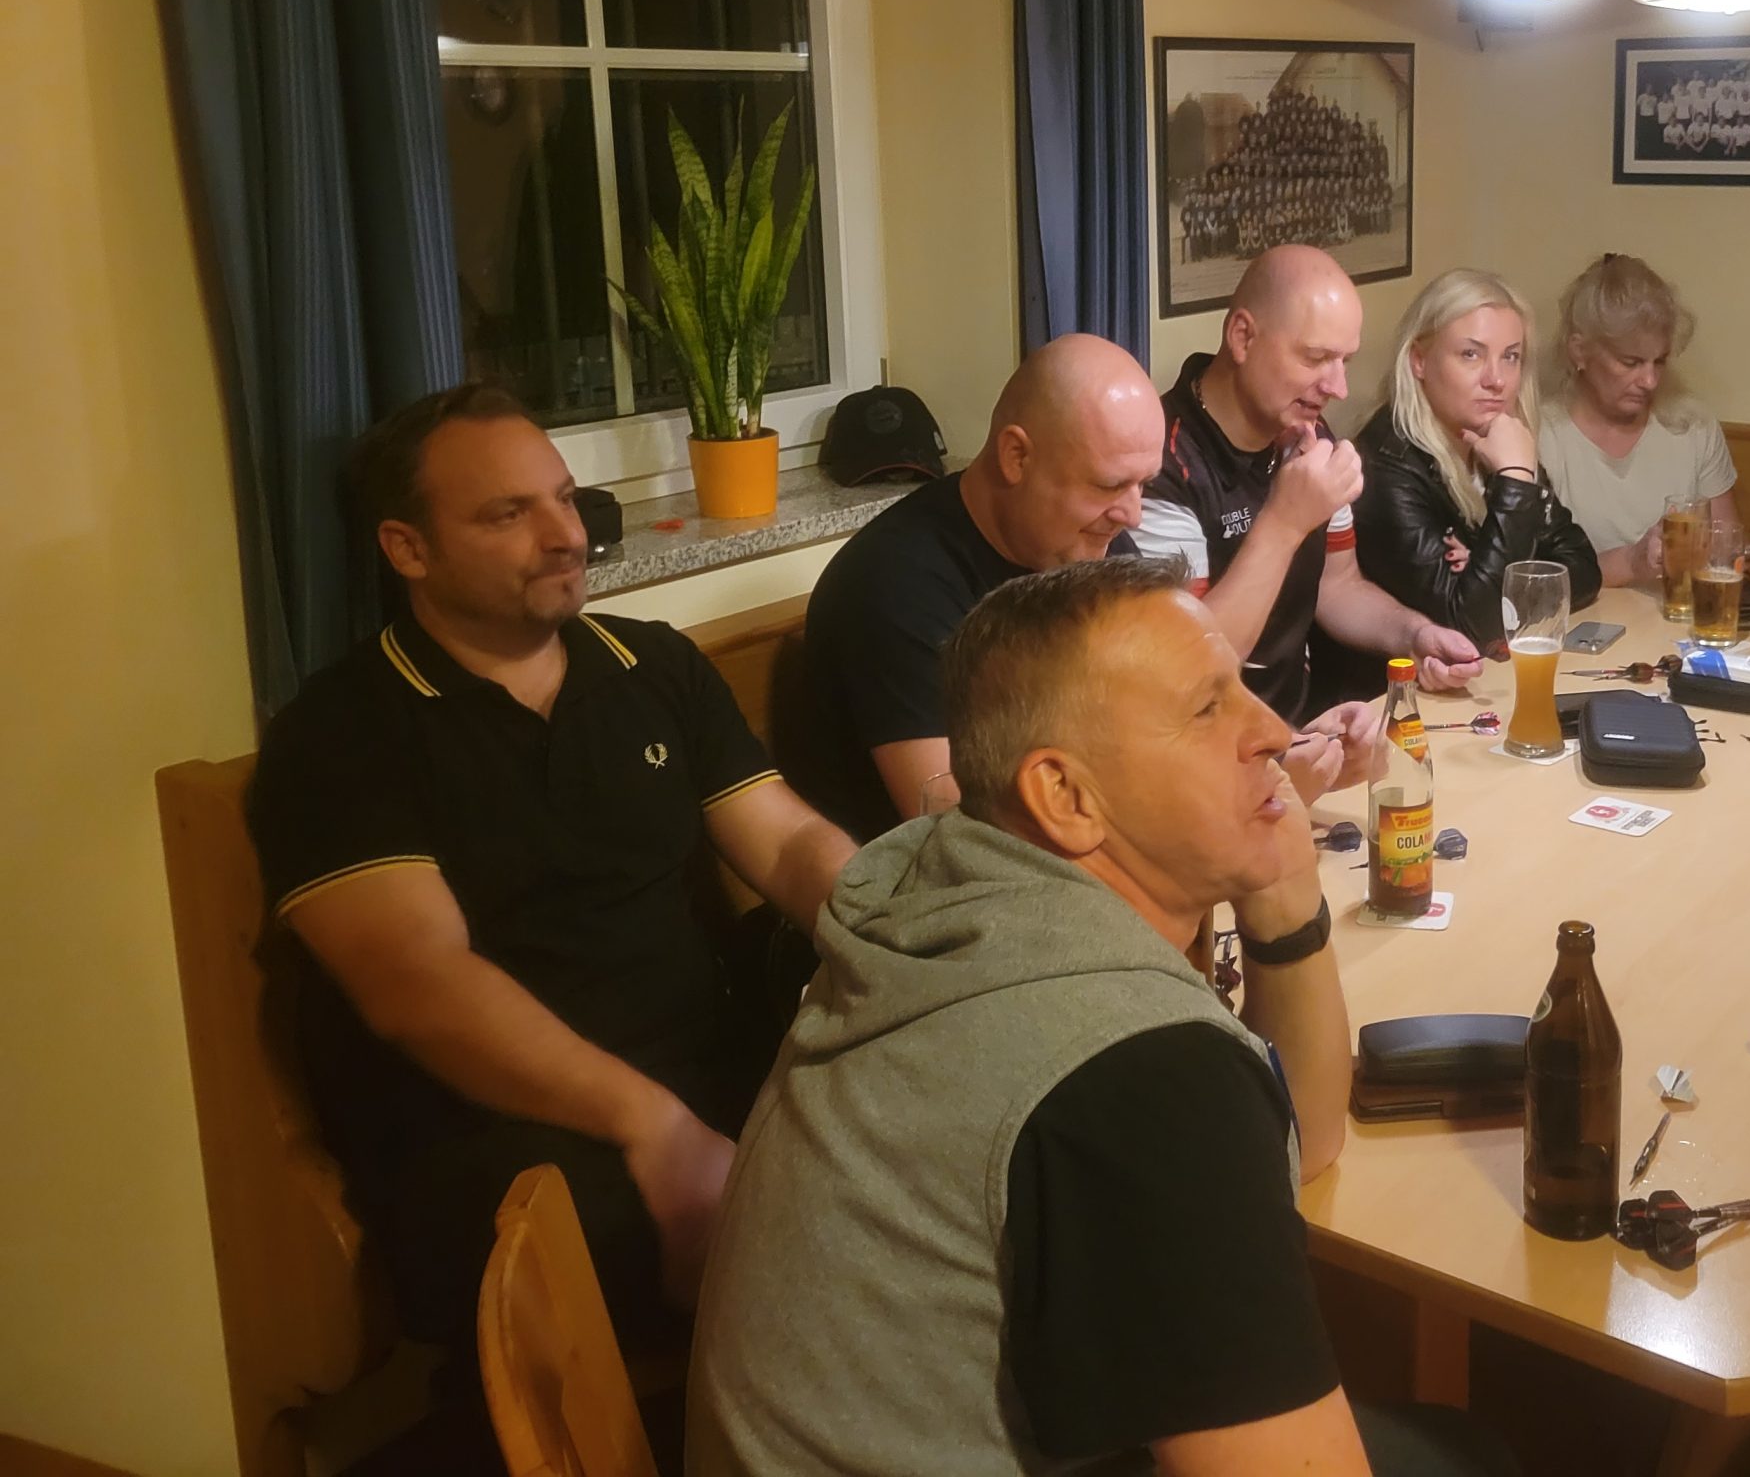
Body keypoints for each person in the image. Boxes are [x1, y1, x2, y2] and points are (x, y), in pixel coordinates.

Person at [690, 558, 1514, 1476]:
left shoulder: (940, 882)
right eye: (1207, 710)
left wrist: (1282, 891)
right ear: (1066, 797)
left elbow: (1306, 1139)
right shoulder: (1134, 1068)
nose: (1275, 732)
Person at [247, 385, 855, 1460]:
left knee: (933, 1125)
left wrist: (898, 934)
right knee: (802, 1229)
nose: (565, 534)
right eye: (508, 513)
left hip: (698, 1069)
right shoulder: (340, 735)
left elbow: (786, 842)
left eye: (566, 499)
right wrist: (654, 1128)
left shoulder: (649, 666)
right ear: (407, 548)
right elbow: (419, 987)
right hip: (485, 1124)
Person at [790, 334, 1380, 837]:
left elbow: (1171, 694)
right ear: (1016, 456)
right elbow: (956, 827)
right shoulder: (895, 585)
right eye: (1108, 485)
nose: (1131, 514)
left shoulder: (1087, 542)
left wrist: (1283, 749)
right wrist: (1235, 798)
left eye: (1143, 485)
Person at [1134, 244, 1484, 719]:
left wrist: (1413, 634)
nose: (1337, 387)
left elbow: (1338, 585)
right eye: (1316, 358)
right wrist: (1284, 522)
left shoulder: (1307, 432)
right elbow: (1189, 664)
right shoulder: (1157, 465)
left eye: (1345, 362)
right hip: (1198, 741)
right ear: (1242, 337)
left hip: (1295, 728)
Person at [1354, 268, 1602, 645]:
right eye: (1471, 354)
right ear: (1419, 360)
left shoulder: (1496, 438)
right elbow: (1472, 624)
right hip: (1397, 680)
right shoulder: (1387, 465)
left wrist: (1489, 572)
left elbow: (1583, 569)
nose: (1496, 380)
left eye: (1511, 357)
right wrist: (1516, 478)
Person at [1536, 252, 1744, 589]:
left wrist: (1743, 561)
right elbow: (1530, 576)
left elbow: (1724, 554)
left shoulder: (1693, 426)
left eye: (1659, 361)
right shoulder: (1537, 435)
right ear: (1579, 351)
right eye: (1630, 362)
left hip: (1675, 618)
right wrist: (1633, 562)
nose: (1650, 380)